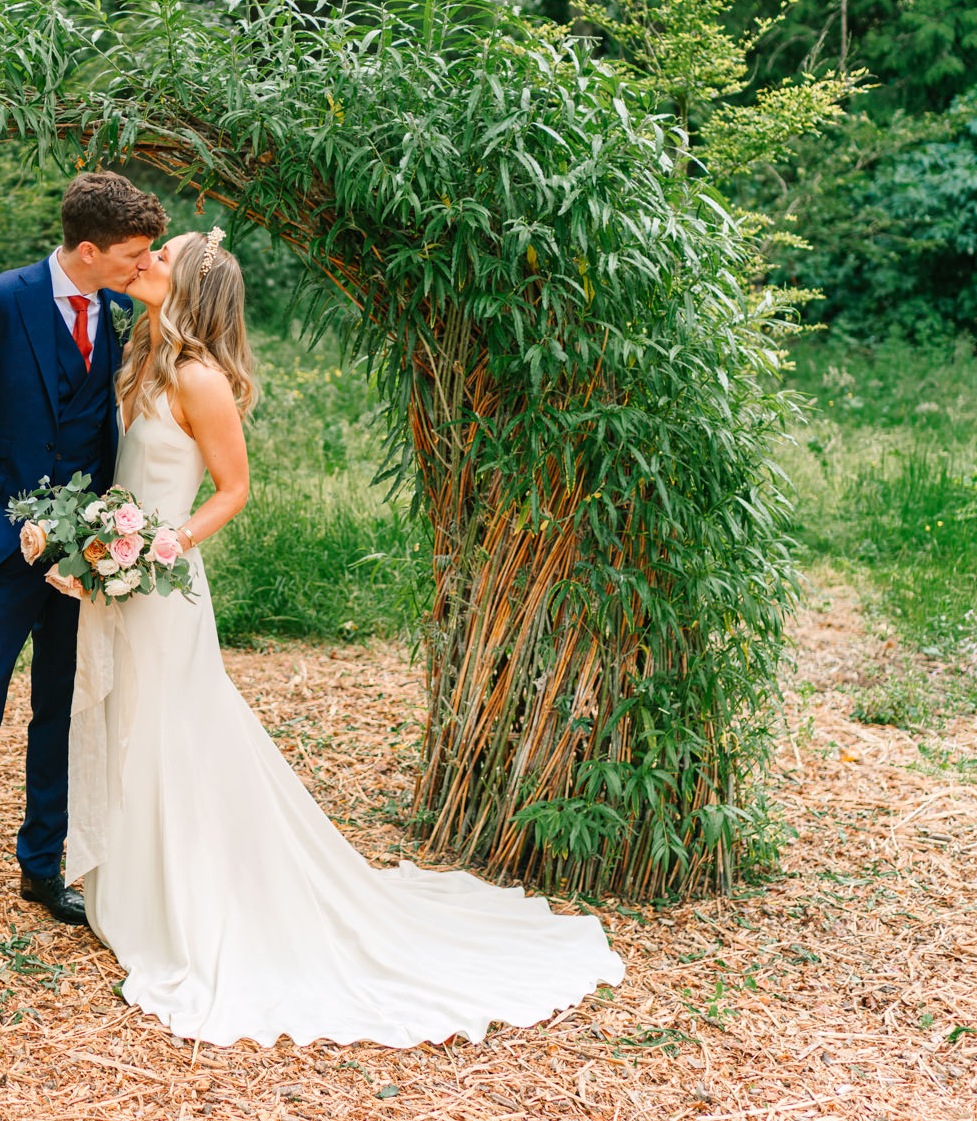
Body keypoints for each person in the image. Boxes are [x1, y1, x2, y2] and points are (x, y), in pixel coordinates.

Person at [56, 228, 626, 1047]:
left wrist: (156, 545)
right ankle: (134, 884)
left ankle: (192, 900)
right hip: (122, 578)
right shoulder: (142, 356)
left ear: (190, 289)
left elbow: (233, 489)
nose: (144, 262)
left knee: (173, 729)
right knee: (135, 722)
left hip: (162, 584)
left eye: (161, 257)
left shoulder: (197, 377)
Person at [0, 171, 169, 983]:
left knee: (61, 711)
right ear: (87, 250)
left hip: (83, 562)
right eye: (131, 254)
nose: (142, 265)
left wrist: (108, 539)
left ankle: (41, 867)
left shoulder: (120, 314)